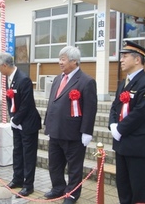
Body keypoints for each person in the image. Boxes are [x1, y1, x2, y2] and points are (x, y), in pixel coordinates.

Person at [43, 46, 97, 204]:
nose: (60, 62)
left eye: (63, 59)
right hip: (55, 130)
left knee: (74, 167)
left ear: (74, 61)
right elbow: (52, 102)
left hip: (73, 132)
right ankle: (58, 187)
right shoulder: (58, 79)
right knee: (54, 163)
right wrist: (47, 122)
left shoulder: (86, 81)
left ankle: (72, 193)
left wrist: (87, 132)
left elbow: (90, 108)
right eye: (59, 59)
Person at [108, 41, 145, 204]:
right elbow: (114, 107)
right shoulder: (124, 83)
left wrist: (120, 129)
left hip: (138, 145)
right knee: (123, 187)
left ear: (137, 60)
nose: (121, 60)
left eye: (125, 56)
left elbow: (140, 113)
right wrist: (113, 125)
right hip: (121, 144)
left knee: (138, 189)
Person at [0, 53, 41, 198]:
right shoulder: (10, 78)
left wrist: (15, 120)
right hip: (17, 122)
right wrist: (13, 118)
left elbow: (27, 104)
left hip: (28, 124)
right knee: (17, 152)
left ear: (5, 65)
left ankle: (28, 185)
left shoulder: (24, 79)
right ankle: (17, 179)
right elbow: (12, 102)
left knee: (28, 155)